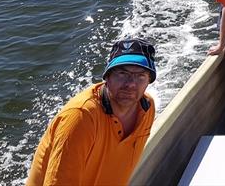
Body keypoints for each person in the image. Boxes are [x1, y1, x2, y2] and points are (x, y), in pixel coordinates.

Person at [26, 38, 158, 186]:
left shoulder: (146, 108)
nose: (130, 84)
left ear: (149, 81)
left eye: (141, 76)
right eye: (122, 73)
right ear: (107, 77)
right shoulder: (81, 117)